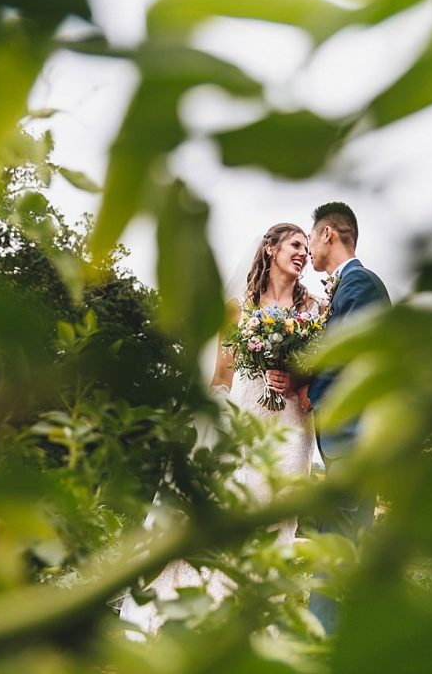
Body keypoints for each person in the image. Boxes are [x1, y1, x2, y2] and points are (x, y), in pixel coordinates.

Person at [119, 223, 319, 637]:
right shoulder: (238, 308)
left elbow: (318, 373)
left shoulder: (313, 311)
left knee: (278, 511)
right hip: (245, 417)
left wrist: (297, 380)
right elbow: (221, 376)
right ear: (270, 249)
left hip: (292, 426)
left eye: (306, 247)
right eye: (295, 245)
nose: (303, 253)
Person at [267, 201, 390, 635]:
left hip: (355, 441)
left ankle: (324, 639)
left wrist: (309, 391)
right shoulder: (345, 289)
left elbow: (352, 356)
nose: (310, 255)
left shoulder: (361, 285)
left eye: (311, 238)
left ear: (327, 236)